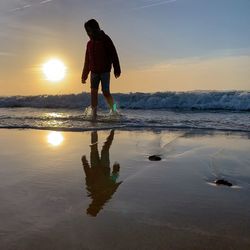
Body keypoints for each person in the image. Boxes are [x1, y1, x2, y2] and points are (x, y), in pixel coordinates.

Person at [81, 19, 121, 120]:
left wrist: (117, 68)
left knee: (106, 92)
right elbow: (87, 60)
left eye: (90, 31)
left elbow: (113, 54)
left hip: (105, 71)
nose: (89, 34)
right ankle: (94, 114)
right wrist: (84, 74)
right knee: (93, 92)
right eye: (87, 32)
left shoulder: (105, 39)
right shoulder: (89, 44)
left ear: (96, 29)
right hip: (94, 72)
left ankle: (114, 110)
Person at [81, 130, 122, 216]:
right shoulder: (106, 196)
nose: (92, 204)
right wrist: (116, 170)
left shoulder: (91, 192)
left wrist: (85, 163)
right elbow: (113, 183)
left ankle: (94, 128)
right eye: (92, 206)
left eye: (91, 205)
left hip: (94, 166)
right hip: (104, 167)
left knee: (94, 146)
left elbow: (88, 176)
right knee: (105, 149)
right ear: (97, 208)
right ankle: (112, 130)